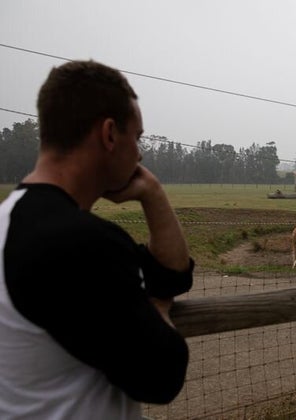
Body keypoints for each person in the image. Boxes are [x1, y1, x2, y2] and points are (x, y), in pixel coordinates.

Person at [0, 60, 195, 419]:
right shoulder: (83, 243)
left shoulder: (11, 223)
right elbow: (162, 376)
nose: (139, 154)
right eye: (136, 138)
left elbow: (173, 275)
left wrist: (152, 193)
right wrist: (156, 306)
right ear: (109, 135)